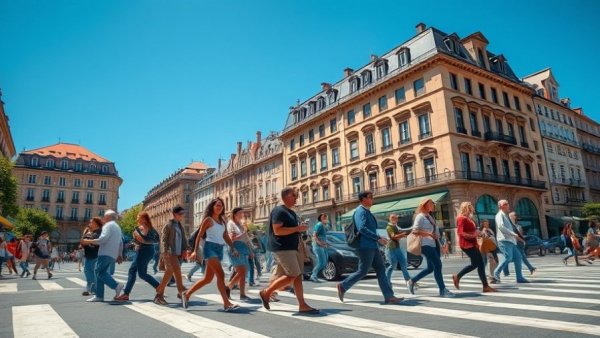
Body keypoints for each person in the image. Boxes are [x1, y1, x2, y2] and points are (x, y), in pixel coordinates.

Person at [258, 187, 321, 314]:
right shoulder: (278, 211)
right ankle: (267, 292)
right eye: (294, 195)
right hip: (283, 247)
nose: (296, 198)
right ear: (286, 196)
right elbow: (277, 230)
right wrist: (298, 228)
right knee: (293, 274)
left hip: (293, 247)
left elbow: (293, 229)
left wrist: (300, 231)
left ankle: (302, 305)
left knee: (297, 276)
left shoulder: (291, 212)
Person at [337, 191, 403, 304]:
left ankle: (389, 296)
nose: (372, 199)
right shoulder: (360, 211)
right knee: (363, 271)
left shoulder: (366, 211)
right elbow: (361, 228)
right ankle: (343, 286)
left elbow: (369, 229)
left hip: (372, 245)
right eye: (370, 197)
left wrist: (378, 238)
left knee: (381, 269)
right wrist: (377, 238)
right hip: (365, 246)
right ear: (363, 199)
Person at [183, 198, 240, 311]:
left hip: (219, 249)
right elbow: (199, 235)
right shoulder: (208, 220)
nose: (220, 207)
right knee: (221, 274)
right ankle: (226, 303)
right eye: (217, 205)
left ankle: (187, 294)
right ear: (212, 207)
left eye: (221, 206)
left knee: (208, 279)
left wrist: (233, 248)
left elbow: (225, 236)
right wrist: (195, 250)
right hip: (209, 248)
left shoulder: (222, 221)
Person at [406, 198, 454, 297]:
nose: (433, 205)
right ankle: (442, 290)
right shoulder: (420, 216)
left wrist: (441, 244)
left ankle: (412, 281)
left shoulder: (430, 217)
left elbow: (435, 232)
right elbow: (415, 231)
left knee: (430, 268)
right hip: (425, 244)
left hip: (434, 244)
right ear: (425, 205)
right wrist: (429, 234)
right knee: (438, 265)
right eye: (432, 204)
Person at [114, 212, 160, 301]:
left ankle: (159, 287)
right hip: (143, 250)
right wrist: (134, 243)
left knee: (142, 274)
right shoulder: (142, 228)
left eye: (139, 217)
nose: (137, 219)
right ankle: (126, 294)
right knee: (132, 270)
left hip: (145, 251)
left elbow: (145, 239)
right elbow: (137, 241)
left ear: (144, 218)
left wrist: (138, 236)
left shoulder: (146, 228)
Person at [80, 210, 124, 302]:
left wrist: (87, 241)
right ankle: (99, 296)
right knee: (100, 273)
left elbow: (102, 240)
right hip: (112, 254)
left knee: (98, 272)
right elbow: (121, 242)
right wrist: (119, 254)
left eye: (104, 216)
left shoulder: (108, 226)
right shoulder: (117, 227)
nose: (103, 218)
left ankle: (116, 285)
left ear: (108, 217)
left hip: (105, 253)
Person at [452, 202, 497, 293]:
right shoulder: (461, 218)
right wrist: (473, 235)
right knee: (479, 263)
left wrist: (479, 233)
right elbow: (461, 232)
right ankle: (484, 286)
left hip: (472, 243)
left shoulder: (469, 219)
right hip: (466, 244)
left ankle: (485, 286)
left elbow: (473, 230)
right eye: (470, 207)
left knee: (477, 264)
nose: (472, 209)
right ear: (466, 208)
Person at [154, 205, 188, 306]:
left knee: (176, 271)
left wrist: (185, 249)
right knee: (170, 271)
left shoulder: (179, 225)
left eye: (183, 214)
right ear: (174, 214)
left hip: (177, 253)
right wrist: (164, 251)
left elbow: (183, 238)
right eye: (180, 214)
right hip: (170, 252)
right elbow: (163, 239)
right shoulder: (168, 225)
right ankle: (159, 295)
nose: (182, 216)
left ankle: (180, 291)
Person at [492, 200, 529, 284]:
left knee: (518, 257)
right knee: (508, 257)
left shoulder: (506, 215)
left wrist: (519, 239)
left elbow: (512, 228)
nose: (508, 205)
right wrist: (513, 234)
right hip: (504, 240)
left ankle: (519, 277)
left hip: (511, 241)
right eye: (505, 204)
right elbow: (501, 227)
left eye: (508, 204)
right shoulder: (499, 215)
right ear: (500, 206)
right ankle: (496, 272)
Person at [224, 207, 254, 301]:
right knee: (241, 271)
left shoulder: (240, 224)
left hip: (243, 249)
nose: (243, 215)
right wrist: (244, 233)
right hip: (235, 249)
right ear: (235, 214)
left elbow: (246, 239)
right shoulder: (231, 224)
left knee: (243, 273)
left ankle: (242, 294)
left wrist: (250, 251)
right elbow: (231, 238)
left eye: (243, 213)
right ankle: (228, 287)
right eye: (241, 213)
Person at [385, 213, 411, 284]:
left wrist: (403, 234)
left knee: (403, 263)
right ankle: (386, 280)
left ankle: (408, 280)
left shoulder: (395, 226)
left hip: (397, 247)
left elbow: (398, 233)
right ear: (390, 219)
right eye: (393, 218)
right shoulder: (389, 227)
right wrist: (402, 235)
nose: (395, 219)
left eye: (396, 218)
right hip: (391, 248)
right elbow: (393, 236)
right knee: (392, 265)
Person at [510, 212, 537, 276]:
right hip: (514, 243)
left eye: (515, 215)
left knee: (519, 257)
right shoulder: (510, 226)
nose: (515, 216)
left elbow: (520, 235)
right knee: (518, 257)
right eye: (514, 215)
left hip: (518, 243)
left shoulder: (518, 226)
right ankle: (531, 268)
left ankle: (530, 269)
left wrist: (522, 241)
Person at [81, 217, 102, 296]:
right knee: (88, 271)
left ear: (96, 223)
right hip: (89, 255)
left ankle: (92, 288)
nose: (90, 224)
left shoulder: (99, 232)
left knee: (90, 272)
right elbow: (82, 242)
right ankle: (91, 288)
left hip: (95, 255)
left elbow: (98, 241)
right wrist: (85, 235)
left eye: (91, 222)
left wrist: (87, 240)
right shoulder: (91, 233)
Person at [310, 213, 329, 283]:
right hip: (318, 246)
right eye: (324, 217)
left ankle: (315, 274)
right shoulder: (319, 225)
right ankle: (313, 275)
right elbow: (314, 235)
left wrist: (325, 243)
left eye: (326, 217)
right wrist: (320, 243)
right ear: (321, 218)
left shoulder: (323, 225)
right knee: (322, 262)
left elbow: (322, 236)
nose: (326, 218)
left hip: (321, 246)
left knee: (324, 262)